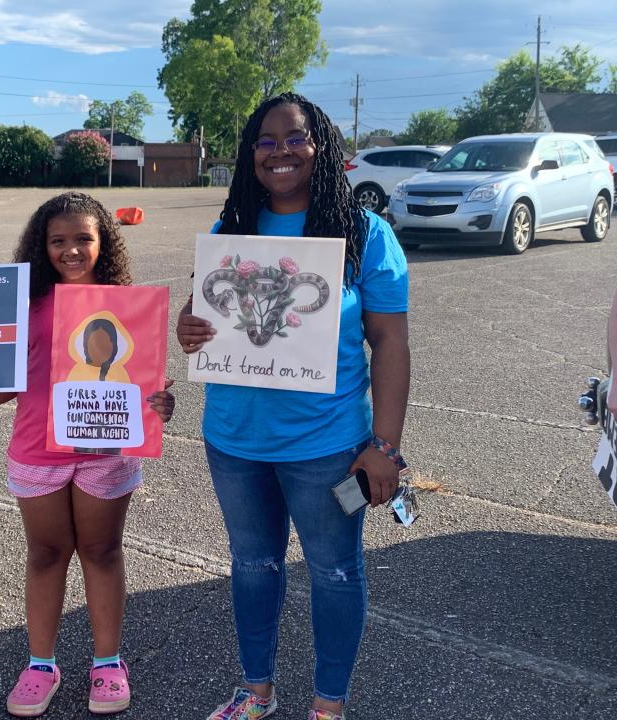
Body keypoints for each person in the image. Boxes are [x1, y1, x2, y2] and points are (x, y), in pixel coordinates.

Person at [176, 93, 410, 720]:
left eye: (294, 138)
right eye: (265, 141)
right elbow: (201, 315)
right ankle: (256, 692)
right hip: (233, 439)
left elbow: (389, 342)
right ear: (250, 153)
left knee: (335, 573)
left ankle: (328, 705)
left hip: (328, 447)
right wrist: (188, 326)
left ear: (322, 147)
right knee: (252, 566)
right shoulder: (232, 230)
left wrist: (383, 445)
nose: (279, 152)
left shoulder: (363, 233)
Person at [0, 192, 174, 717]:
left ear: (103, 242)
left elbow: (143, 383)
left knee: (102, 553)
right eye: (58, 240)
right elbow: (13, 378)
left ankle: (107, 662)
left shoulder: (126, 304)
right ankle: (42, 664)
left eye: (83, 238)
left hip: (106, 449)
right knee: (45, 555)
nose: (71, 250)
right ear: (42, 247)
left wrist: (158, 404)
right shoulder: (25, 302)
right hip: (38, 447)